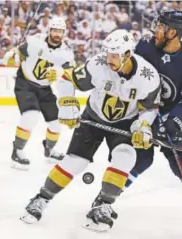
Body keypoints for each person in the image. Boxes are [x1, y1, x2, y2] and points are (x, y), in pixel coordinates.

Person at [20, 29, 162, 232]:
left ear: (128, 55)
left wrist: (143, 126)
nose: (108, 59)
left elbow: (150, 108)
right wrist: (68, 104)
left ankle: (103, 205)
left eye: (114, 55)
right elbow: (67, 79)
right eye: (108, 53)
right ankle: (41, 198)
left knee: (125, 156)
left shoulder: (148, 77)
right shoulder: (98, 64)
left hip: (124, 124)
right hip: (93, 117)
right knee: (75, 161)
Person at [120, 10, 182, 220]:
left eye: (161, 27)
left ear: (173, 32)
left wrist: (175, 120)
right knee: (139, 159)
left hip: (177, 112)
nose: (156, 30)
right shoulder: (145, 46)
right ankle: (108, 195)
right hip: (146, 110)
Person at [4, 17, 75, 170]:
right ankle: (17, 151)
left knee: (56, 123)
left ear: (64, 33)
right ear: (49, 30)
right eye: (54, 30)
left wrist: (60, 72)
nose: (57, 34)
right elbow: (18, 52)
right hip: (25, 83)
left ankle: (49, 150)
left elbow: (70, 73)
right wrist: (11, 54)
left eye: (60, 31)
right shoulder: (35, 41)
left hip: (45, 88)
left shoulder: (66, 53)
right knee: (30, 116)